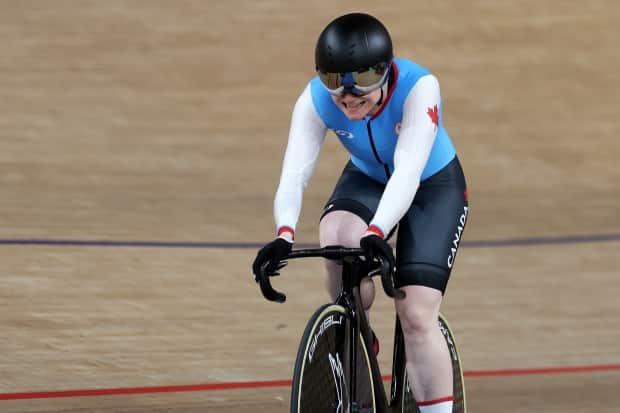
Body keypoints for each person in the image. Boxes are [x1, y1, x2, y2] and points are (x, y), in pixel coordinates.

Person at [252, 12, 468, 413]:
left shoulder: (420, 88)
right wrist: (283, 234)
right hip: (369, 177)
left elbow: (407, 171)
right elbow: (294, 172)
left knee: (417, 313)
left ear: (385, 73)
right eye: (335, 84)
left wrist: (377, 230)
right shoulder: (315, 99)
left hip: (430, 184)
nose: (348, 97)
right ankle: (357, 339)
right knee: (335, 237)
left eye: (361, 85)